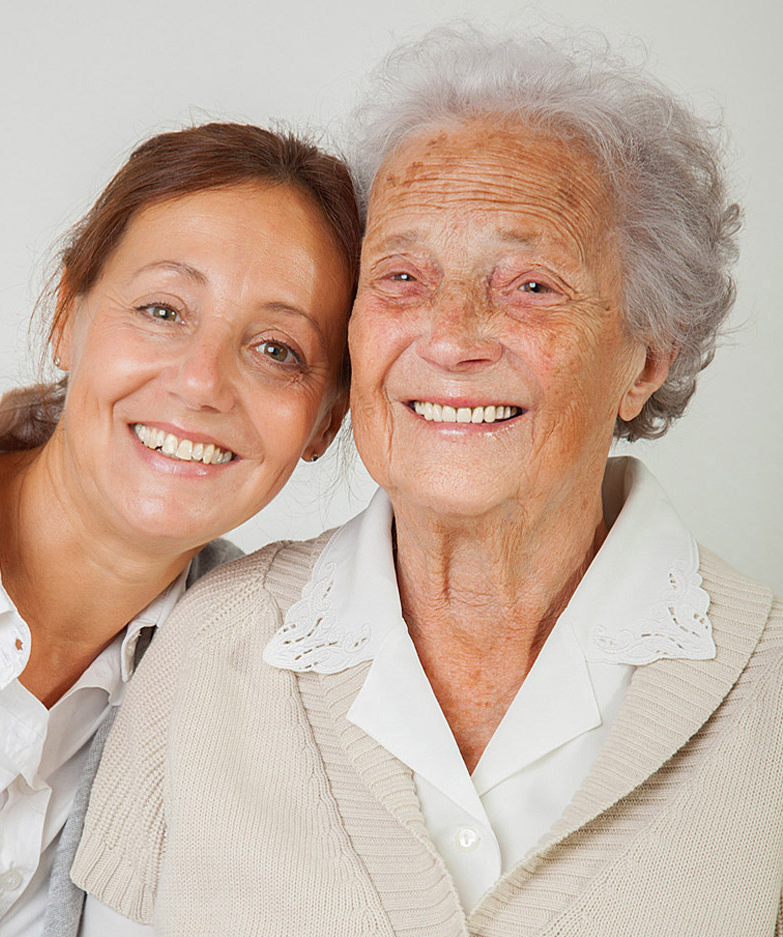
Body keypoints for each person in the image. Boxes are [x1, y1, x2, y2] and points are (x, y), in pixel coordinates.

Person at [71, 29, 782, 937]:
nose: (450, 337)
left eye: (529, 285)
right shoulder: (207, 646)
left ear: (646, 357)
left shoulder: (767, 689)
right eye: (402, 276)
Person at [0, 120, 360, 937]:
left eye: (278, 349)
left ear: (324, 421)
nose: (203, 381)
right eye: (163, 309)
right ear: (66, 315)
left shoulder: (263, 669)